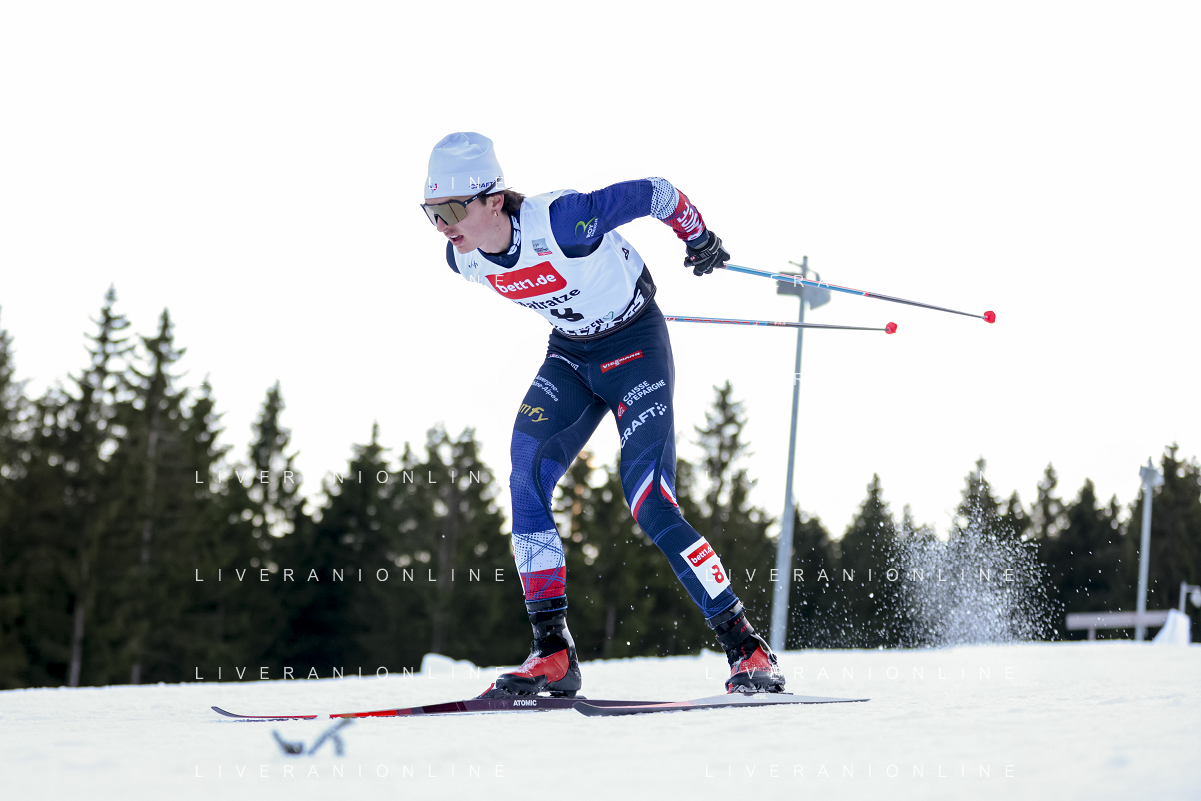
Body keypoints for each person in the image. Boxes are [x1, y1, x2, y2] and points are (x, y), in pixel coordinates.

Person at [420, 132, 785, 697]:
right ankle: (552, 652)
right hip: (571, 357)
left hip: (635, 350)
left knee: (649, 499)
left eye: (450, 210)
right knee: (525, 478)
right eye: (430, 213)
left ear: (493, 199)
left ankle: (747, 648)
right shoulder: (461, 258)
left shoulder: (564, 222)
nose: (442, 226)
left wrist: (697, 236)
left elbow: (656, 192)